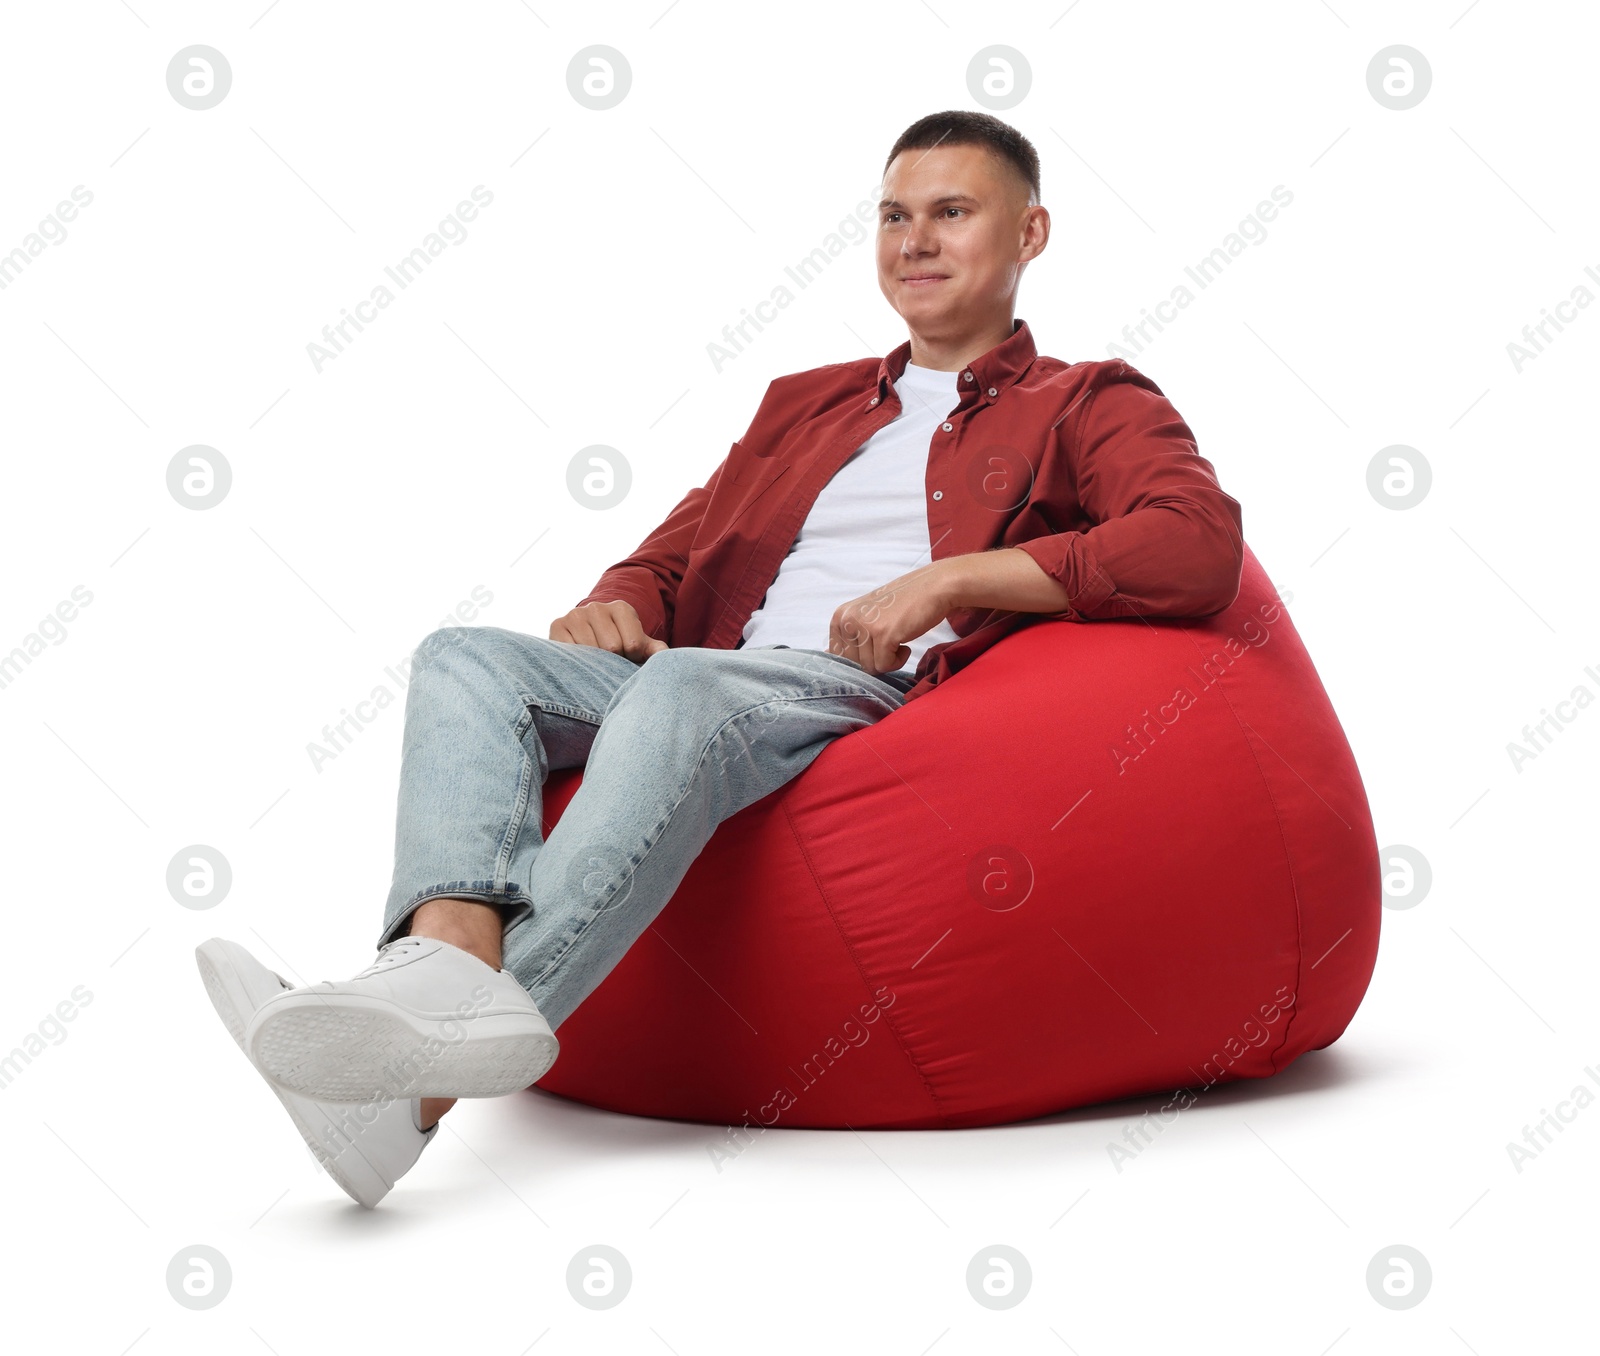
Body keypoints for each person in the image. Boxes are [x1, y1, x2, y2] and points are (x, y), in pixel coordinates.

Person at [198, 109, 1243, 1207]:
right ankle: (432, 986)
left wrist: (947, 582)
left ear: (1029, 234)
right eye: (894, 215)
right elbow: (673, 553)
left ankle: (407, 1064)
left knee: (688, 683)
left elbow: (1192, 543)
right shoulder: (808, 404)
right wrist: (614, 603)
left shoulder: (1083, 400)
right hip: (700, 676)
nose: (914, 241)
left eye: (950, 213)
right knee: (465, 658)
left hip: (862, 694)